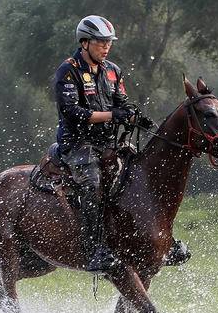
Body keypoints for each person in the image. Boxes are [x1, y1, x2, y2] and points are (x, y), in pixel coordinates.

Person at [53, 15, 154, 272]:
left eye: (108, 42)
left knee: (141, 174)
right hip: (78, 144)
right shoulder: (69, 70)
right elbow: (72, 112)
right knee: (92, 185)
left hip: (108, 142)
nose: (106, 47)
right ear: (84, 43)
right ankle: (93, 250)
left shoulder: (113, 71)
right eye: (100, 42)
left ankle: (160, 238)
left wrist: (134, 115)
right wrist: (112, 115)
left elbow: (121, 103)